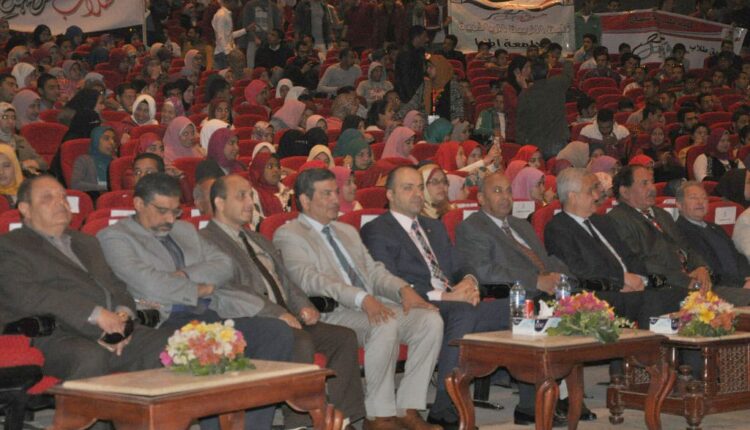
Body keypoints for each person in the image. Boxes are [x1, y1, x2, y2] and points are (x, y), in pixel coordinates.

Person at [97, 173, 295, 430]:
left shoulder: (185, 230)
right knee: (208, 348)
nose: (170, 219)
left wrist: (185, 276)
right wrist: (197, 289)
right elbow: (149, 284)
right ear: (138, 204)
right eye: (162, 211)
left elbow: (224, 265)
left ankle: (253, 427)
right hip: (165, 318)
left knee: (276, 333)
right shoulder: (115, 237)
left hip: (212, 310)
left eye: (175, 211)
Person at [273, 168, 443, 430]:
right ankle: (379, 416)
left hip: (371, 304)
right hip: (332, 313)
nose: (335, 199)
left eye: (335, 192)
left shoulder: (347, 231)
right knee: (384, 324)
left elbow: (374, 271)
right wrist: (361, 298)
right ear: (305, 200)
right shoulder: (289, 234)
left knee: (430, 320)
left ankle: (407, 408)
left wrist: (402, 289)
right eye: (326, 194)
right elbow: (311, 279)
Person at [200, 174, 366, 427]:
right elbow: (229, 289)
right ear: (220, 203)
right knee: (299, 341)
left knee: (343, 337)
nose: (250, 203)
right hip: (250, 320)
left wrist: (303, 305)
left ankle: (342, 419)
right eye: (241, 196)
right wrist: (276, 313)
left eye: (250, 196)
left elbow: (286, 279)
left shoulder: (257, 238)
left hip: (287, 316)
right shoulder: (206, 241)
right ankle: (298, 422)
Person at [0, 175, 172, 418]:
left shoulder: (86, 242)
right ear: (25, 209)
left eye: (63, 197)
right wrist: (96, 316)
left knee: (169, 343)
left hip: (112, 329)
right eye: (48, 198)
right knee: (91, 357)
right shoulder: (10, 246)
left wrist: (123, 316)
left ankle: (150, 422)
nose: (61, 203)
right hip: (54, 335)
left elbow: (115, 284)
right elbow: (29, 296)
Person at [361, 166, 505, 429]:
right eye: (408, 188)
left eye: (419, 187)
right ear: (390, 194)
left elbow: (460, 263)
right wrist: (447, 297)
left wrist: (469, 282)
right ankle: (445, 406)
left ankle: (529, 404)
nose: (417, 193)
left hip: (452, 299)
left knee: (516, 308)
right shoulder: (377, 229)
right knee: (464, 312)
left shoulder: (433, 226)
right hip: (413, 303)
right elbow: (389, 280)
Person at [454, 171, 570, 426]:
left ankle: (563, 393)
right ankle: (530, 405)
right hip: (507, 296)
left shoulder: (521, 225)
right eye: (497, 191)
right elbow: (486, 271)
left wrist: (562, 277)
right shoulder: (471, 227)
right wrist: (536, 281)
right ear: (481, 199)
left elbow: (544, 259)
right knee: (530, 309)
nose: (506, 197)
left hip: (542, 291)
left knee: (577, 304)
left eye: (508, 190)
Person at [544, 168, 684, 328]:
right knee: (655, 300)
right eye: (590, 191)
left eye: (596, 190)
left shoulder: (602, 221)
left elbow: (630, 256)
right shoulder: (559, 228)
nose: (596, 196)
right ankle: (653, 344)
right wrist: (620, 280)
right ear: (572, 197)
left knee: (684, 295)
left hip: (631, 285)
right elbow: (579, 271)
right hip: (601, 292)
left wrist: (642, 279)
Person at [607, 165, 750, 305]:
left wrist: (701, 267)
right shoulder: (617, 219)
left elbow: (685, 247)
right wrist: (684, 281)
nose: (652, 188)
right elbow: (640, 264)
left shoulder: (661, 214)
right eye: (644, 183)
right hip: (664, 287)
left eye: (651, 182)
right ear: (625, 191)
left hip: (694, 283)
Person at [675, 181, 750, 288]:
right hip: (716, 287)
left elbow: (738, 257)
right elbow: (709, 270)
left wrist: (746, 277)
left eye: (704, 198)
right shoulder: (678, 233)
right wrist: (741, 284)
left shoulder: (715, 228)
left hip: (740, 283)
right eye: (693, 198)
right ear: (679, 205)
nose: (700, 202)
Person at [516, 59, 573, 157]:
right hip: (558, 141)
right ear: (548, 72)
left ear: (531, 75)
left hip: (536, 145)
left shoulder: (525, 95)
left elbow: (521, 124)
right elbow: (568, 75)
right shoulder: (557, 83)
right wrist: (567, 62)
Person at [399, 54, 463, 122]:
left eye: (431, 67)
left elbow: (458, 113)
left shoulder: (453, 86)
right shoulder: (426, 85)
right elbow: (413, 103)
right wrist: (398, 116)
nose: (428, 70)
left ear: (440, 67)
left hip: (448, 125)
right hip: (428, 125)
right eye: (427, 67)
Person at [0, 103, 47, 173]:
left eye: (13, 118)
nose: (10, 121)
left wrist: (31, 163)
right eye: (5, 117)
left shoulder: (20, 140)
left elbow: (43, 163)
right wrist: (22, 165)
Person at [71, 126, 117, 195]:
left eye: (113, 139)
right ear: (96, 140)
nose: (112, 142)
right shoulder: (84, 161)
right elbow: (75, 185)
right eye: (106, 138)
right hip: (93, 199)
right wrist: (105, 188)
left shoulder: (116, 162)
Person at [212, 0, 254, 70]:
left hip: (225, 52)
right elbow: (220, 36)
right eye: (236, 2)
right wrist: (228, 53)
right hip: (223, 53)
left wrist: (246, 30)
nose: (238, 4)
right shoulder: (222, 15)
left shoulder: (225, 14)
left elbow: (229, 35)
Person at [248, 152, 290, 218]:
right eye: (270, 167)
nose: (276, 170)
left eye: (278, 166)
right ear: (259, 170)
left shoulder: (285, 190)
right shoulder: (252, 194)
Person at [395, 26, 428, 104]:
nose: (427, 39)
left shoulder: (420, 51)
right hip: (408, 96)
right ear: (417, 37)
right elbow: (405, 78)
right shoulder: (405, 54)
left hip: (418, 91)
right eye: (424, 36)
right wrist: (412, 98)